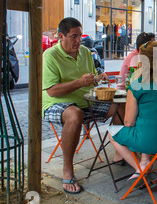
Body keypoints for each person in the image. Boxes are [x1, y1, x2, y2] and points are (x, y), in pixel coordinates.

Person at [42, 17, 121, 194]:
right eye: (73, 36)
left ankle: (120, 151)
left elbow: (91, 78)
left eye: (80, 36)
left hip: (85, 101)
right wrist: (79, 82)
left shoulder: (85, 52)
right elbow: (52, 91)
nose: (78, 40)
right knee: (75, 114)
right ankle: (67, 170)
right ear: (60, 36)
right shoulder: (50, 55)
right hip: (56, 103)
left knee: (121, 107)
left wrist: (98, 79)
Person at [107, 41, 157, 180]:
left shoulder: (137, 85)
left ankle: (141, 168)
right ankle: (144, 161)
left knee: (111, 133)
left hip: (153, 142)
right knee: (148, 124)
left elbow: (128, 122)